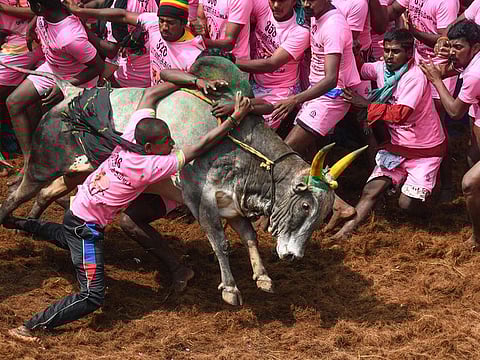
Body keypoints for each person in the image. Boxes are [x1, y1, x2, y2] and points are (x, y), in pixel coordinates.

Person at [4, 84, 253, 344]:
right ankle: (29, 326)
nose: (172, 144)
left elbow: (150, 95)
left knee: (67, 237)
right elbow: (200, 146)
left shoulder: (130, 137)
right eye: (166, 142)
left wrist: (187, 80)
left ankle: (20, 223)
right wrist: (234, 119)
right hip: (85, 230)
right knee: (92, 295)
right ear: (148, 147)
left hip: (76, 217)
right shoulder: (148, 166)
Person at [332, 29, 447, 239]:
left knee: (407, 204)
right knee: (370, 190)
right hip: (398, 146)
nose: (388, 56)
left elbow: (400, 114)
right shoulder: (382, 68)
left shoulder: (415, 77)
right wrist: (352, 52)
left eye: (395, 52)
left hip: (424, 149)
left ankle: (433, 194)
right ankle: (346, 231)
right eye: (386, 50)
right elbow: (359, 69)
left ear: (409, 53)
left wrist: (365, 104)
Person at [5, 0, 104, 183]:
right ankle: (29, 164)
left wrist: (63, 85)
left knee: (56, 130)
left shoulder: (71, 37)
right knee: (14, 102)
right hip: (52, 69)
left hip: (78, 80)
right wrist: (31, 27)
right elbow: (38, 15)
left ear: (41, 7)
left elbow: (98, 66)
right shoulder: (47, 12)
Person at [387, 0, 460, 201]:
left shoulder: (446, 2)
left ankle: (446, 184)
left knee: (436, 128)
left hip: (440, 71)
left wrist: (414, 33)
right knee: (414, 123)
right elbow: (393, 10)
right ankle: (417, 177)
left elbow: (447, 41)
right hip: (416, 66)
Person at [419, 20, 480, 248]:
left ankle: (477, 239)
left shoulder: (474, 73)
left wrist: (435, 80)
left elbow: (454, 111)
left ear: (474, 48)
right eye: (451, 47)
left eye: (458, 48)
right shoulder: (471, 61)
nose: (453, 53)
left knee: (469, 184)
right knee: (472, 158)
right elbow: (450, 69)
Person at [66, 0, 206, 86]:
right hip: (150, 88)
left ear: (183, 23)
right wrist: (81, 12)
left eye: (170, 23)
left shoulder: (194, 54)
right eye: (161, 20)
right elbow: (123, 15)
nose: (164, 27)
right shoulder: (153, 23)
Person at [234, 0, 310, 130]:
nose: (275, 5)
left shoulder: (300, 31)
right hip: (253, 80)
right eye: (272, 0)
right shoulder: (263, 6)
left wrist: (231, 60)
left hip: (279, 90)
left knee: (254, 130)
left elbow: (271, 64)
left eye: (281, 1)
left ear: (293, 1)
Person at [0, 1, 44, 172]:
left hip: (26, 43)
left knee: (23, 100)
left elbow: (38, 10)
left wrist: (3, 8)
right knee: (28, 101)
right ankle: (32, 154)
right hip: (16, 42)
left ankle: (33, 158)